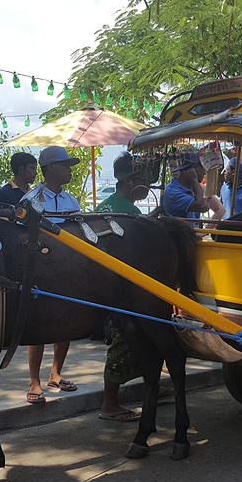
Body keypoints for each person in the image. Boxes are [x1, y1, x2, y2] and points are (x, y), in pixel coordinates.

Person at [95, 153, 154, 421]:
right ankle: (109, 404)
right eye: (142, 180)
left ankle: (152, 388)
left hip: (102, 285)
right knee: (125, 341)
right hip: (123, 290)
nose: (146, 185)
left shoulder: (102, 207)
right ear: (129, 182)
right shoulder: (130, 214)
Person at [21, 146, 81, 404]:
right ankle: (34, 380)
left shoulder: (72, 201)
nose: (69, 169)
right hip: (41, 269)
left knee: (66, 321)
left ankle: (56, 373)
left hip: (67, 269)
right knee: (38, 325)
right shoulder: (31, 200)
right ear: (50, 169)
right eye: (65, 165)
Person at [163, 154, 225, 221]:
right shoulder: (172, 192)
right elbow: (203, 206)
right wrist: (194, 181)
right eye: (202, 167)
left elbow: (217, 208)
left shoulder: (193, 189)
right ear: (192, 170)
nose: (205, 172)